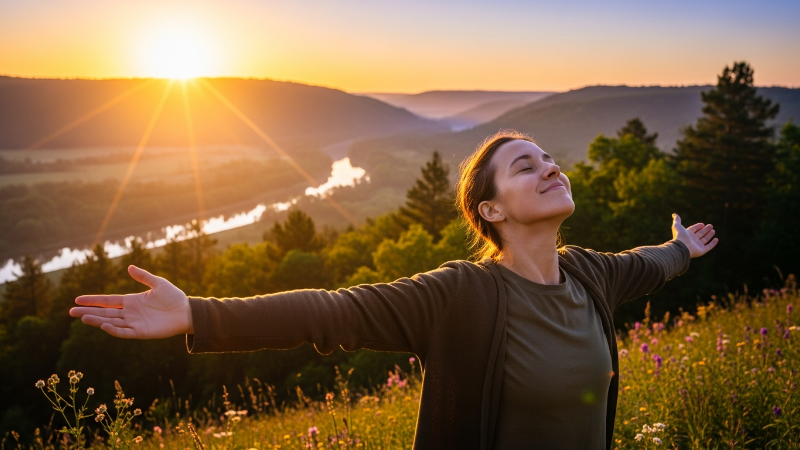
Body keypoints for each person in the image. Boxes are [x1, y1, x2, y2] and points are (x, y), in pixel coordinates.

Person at [70, 130, 718, 449]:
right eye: (526, 165)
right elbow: (329, 310)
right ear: (490, 212)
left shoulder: (590, 274)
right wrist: (197, 314)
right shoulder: (461, 295)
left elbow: (649, 263)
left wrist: (682, 249)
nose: (550, 166)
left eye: (549, 158)